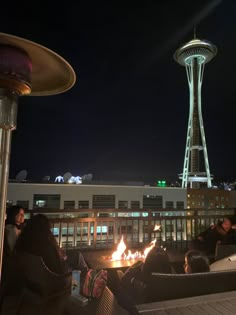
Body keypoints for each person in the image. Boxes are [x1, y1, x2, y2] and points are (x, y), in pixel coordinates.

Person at [116, 247, 172, 313]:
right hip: (166, 308)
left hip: (141, 309)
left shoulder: (140, 279)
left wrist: (132, 275)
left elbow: (124, 280)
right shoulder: (172, 281)